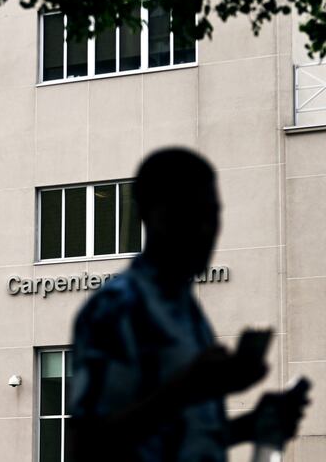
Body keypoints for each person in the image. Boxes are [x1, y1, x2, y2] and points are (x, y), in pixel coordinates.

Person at [67, 148, 309, 461]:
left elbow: (172, 441)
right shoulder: (118, 307)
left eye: (212, 214)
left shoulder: (186, 312)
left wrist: (250, 426)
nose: (205, 229)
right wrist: (187, 388)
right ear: (148, 215)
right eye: (188, 214)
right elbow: (84, 447)